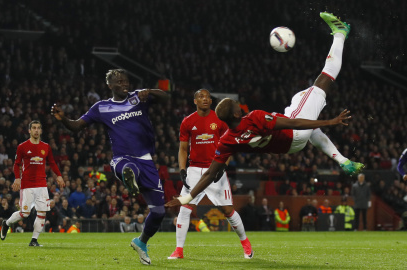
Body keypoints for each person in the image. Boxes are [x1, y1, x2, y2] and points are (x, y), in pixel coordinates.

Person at [166, 13, 363, 210]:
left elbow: (209, 174)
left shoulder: (227, 139)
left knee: (298, 100)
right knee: (324, 80)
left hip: (289, 147)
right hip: (294, 131)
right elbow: (295, 123)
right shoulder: (254, 118)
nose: (239, 105)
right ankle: (340, 33)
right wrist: (330, 122)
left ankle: (343, 160)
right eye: (236, 106)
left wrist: (186, 198)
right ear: (235, 114)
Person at [52, 69, 169, 265]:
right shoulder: (101, 107)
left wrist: (149, 91)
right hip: (122, 158)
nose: (125, 84)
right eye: (120, 81)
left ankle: (141, 242)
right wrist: (63, 118)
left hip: (146, 159)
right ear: (110, 86)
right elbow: (77, 126)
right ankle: (128, 177)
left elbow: (165, 97)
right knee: (128, 167)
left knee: (158, 212)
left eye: (126, 81)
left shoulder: (138, 97)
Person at [168, 89, 253, 260]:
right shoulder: (187, 121)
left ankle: (246, 244)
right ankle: (178, 250)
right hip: (194, 170)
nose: (205, 99)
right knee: (185, 209)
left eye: (207, 97)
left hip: (215, 168)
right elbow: (183, 149)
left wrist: (223, 166)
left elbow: (229, 145)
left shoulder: (220, 120)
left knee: (227, 210)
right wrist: (182, 169)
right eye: (201, 97)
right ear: (195, 101)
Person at [0, 120, 66, 246]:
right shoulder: (22, 147)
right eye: (34, 128)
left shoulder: (46, 147)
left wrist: (59, 175)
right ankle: (6, 223)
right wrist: (17, 178)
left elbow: (52, 162)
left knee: (42, 212)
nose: (36, 130)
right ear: (29, 131)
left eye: (38, 128)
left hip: (41, 184)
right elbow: (17, 164)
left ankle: (34, 240)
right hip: (27, 185)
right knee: (25, 213)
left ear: (41, 131)